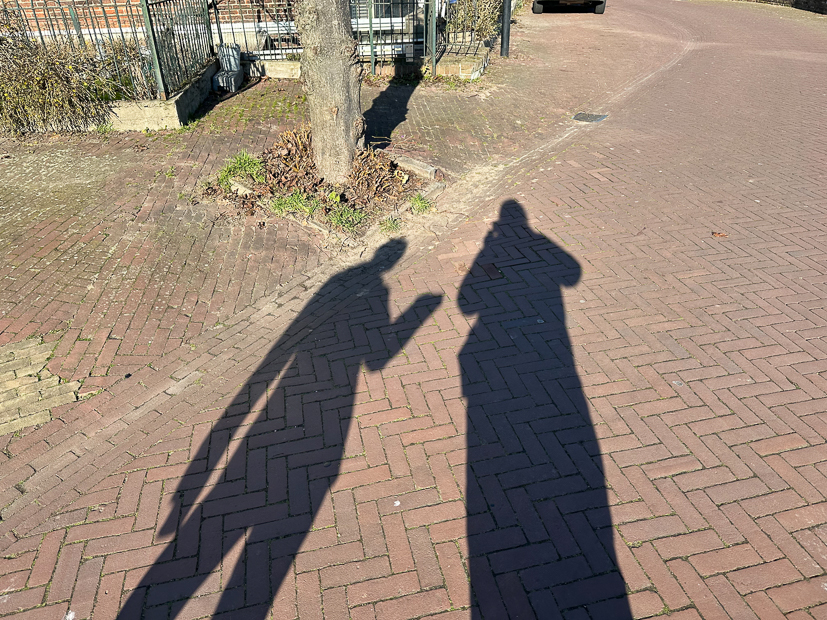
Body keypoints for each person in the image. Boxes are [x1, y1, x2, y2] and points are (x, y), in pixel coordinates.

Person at [119, 239, 442, 619]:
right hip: (332, 412)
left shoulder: (338, 280)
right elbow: (376, 361)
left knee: (191, 548)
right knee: (266, 556)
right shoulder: (375, 291)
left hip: (276, 412)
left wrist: (192, 481)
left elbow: (277, 355)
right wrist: (419, 313)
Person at [459, 201, 632, 618]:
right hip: (552, 345)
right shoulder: (534, 241)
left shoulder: (490, 246)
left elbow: (465, 303)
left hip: (482, 355)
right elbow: (572, 273)